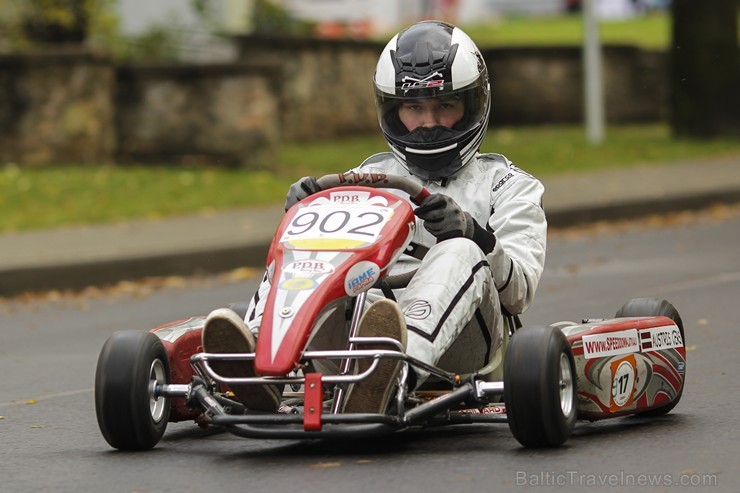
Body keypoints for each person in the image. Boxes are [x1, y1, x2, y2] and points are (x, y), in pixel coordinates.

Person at [202, 20, 547, 414]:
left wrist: (474, 234)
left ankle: (390, 372)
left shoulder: (508, 186)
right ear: (392, 110)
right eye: (414, 107)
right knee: (306, 247)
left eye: (444, 106)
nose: (428, 123)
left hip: (465, 351)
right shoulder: (365, 181)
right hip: (359, 333)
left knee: (460, 251)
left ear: (472, 105)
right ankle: (264, 361)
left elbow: (518, 294)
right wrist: (308, 211)